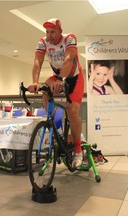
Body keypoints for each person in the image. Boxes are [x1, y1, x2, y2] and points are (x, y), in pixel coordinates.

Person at [28, 18, 84, 168]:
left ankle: (78, 149)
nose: (49, 35)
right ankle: (57, 128)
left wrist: (61, 79)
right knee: (45, 93)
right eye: (47, 32)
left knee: (72, 111)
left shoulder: (69, 38)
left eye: (53, 32)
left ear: (60, 31)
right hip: (57, 76)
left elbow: (68, 58)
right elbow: (37, 61)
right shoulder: (43, 41)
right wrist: (35, 82)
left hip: (74, 78)